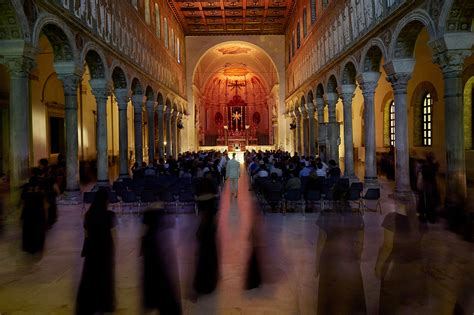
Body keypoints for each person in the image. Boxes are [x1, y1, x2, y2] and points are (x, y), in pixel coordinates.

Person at [76, 189, 117, 315]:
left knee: (91, 276)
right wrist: (114, 251)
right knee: (104, 276)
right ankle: (104, 304)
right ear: (106, 201)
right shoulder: (110, 215)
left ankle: (89, 304)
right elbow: (114, 235)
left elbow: (86, 235)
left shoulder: (88, 215)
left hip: (92, 251)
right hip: (105, 250)